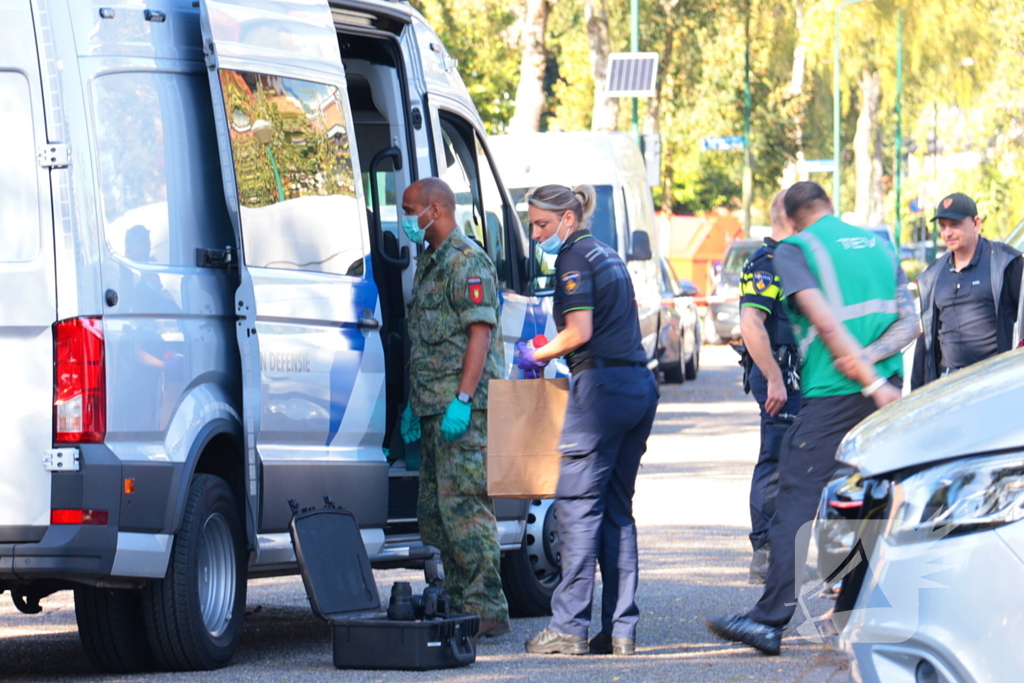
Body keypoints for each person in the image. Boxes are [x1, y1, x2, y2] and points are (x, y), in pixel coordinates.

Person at [706, 181, 919, 655]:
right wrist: (875, 366)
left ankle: (769, 621)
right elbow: (910, 322)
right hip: (885, 384)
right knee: (869, 501)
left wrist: (863, 375)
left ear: (789, 217)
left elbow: (824, 321)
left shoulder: (796, 250)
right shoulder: (878, 246)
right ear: (829, 205)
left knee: (795, 502)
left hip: (834, 392)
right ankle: (855, 614)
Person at [519, 184, 659, 657]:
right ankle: (620, 631)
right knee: (617, 511)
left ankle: (568, 628)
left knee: (577, 510)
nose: (536, 235)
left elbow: (579, 331)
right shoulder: (608, 254)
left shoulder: (573, 258)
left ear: (568, 218)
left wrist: (539, 353)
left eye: (541, 224)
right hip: (636, 385)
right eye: (532, 225)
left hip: (601, 393)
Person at [398, 178, 510, 638]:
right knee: (437, 516)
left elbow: (479, 334)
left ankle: (487, 609)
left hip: (463, 410)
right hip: (434, 408)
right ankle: (461, 602)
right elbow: (429, 342)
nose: (405, 219)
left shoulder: (466, 261)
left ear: (437, 209)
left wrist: (462, 399)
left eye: (410, 209)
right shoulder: (430, 262)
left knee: (465, 510)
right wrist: (415, 405)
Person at [738, 190, 801, 584]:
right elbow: (751, 323)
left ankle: (782, 551)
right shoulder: (768, 263)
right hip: (779, 375)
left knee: (794, 461)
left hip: (794, 374)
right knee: (776, 460)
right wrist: (775, 377)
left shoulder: (790, 259)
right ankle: (765, 553)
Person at [911, 192, 1022, 388]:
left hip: (993, 379)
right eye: (943, 226)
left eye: (955, 224)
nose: (947, 233)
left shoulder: (1005, 262)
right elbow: (927, 339)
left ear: (976, 223)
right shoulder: (933, 274)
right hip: (948, 382)